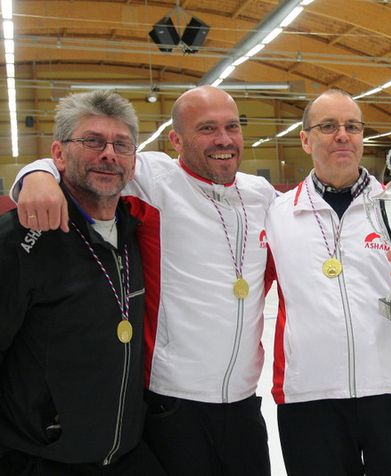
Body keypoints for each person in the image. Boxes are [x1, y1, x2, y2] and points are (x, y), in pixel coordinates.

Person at [11, 86, 273, 476]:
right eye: (207, 129)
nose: (223, 139)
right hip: (172, 403)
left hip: (245, 401)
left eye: (231, 126)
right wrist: (36, 176)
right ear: (176, 140)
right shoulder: (152, 177)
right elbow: (84, 159)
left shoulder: (262, 194)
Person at [264, 89, 391, 476]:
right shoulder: (277, 213)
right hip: (310, 397)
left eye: (352, 126)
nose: (342, 135)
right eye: (329, 126)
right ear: (305, 139)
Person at [0, 90, 165, 474]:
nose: (109, 153)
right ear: (58, 154)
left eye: (121, 145)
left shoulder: (136, 230)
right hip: (40, 458)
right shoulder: (19, 239)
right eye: (92, 141)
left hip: (125, 454)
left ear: (133, 162)